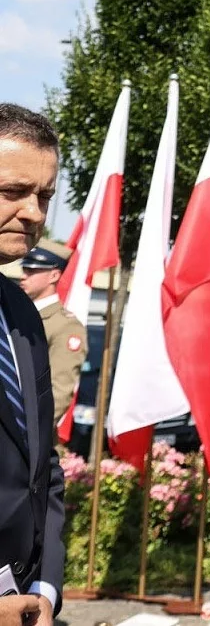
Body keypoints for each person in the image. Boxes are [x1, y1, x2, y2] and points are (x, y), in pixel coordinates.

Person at [0, 104, 68, 625]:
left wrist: (43, 588)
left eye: (44, 195)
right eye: (13, 193)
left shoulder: (21, 312)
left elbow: (43, 471)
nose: (36, 213)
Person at [16, 241, 86, 438]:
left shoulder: (66, 326)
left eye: (31, 271)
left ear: (54, 276)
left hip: (26, 437)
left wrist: (23, 432)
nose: (23, 276)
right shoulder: (17, 313)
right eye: (24, 269)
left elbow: (58, 393)